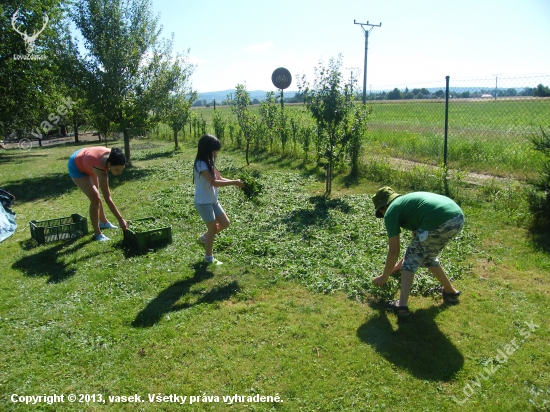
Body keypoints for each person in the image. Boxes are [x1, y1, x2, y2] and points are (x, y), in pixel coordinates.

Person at [371, 186, 465, 317]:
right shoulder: (408, 205)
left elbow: (394, 250)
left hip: (437, 219)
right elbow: (417, 244)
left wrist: (385, 276)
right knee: (427, 258)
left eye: (380, 213)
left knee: (410, 262)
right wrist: (397, 266)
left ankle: (401, 306)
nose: (383, 215)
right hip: (457, 218)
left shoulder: (391, 211)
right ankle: (451, 292)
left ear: (383, 207)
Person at [193, 134, 244, 265]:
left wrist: (236, 182)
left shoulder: (209, 162)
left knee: (225, 223)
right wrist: (233, 182)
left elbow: (219, 178)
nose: (216, 153)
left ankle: (204, 238)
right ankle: (209, 258)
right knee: (213, 229)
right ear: (207, 149)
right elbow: (213, 182)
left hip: (212, 200)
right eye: (214, 150)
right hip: (204, 202)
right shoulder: (201, 164)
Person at [68, 146, 128, 241]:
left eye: (121, 170)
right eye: (117, 170)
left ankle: (103, 222)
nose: (119, 173)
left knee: (97, 196)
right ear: (109, 164)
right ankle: (97, 234)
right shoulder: (100, 169)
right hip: (76, 165)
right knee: (95, 199)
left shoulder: (112, 155)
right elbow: (108, 199)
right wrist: (120, 219)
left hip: (87, 159)